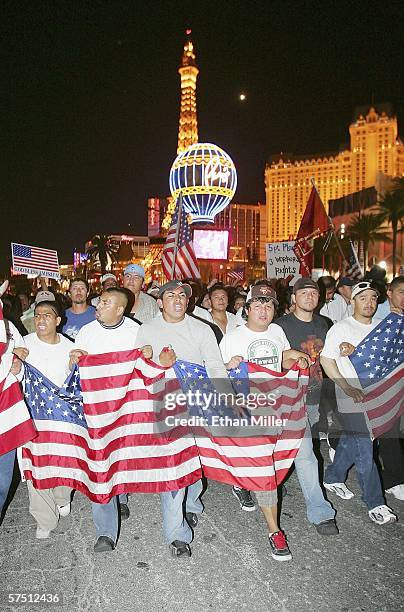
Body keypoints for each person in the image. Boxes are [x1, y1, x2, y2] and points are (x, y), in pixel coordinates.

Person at [135, 280, 235, 559]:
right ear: (159, 301)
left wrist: (227, 396)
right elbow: (138, 367)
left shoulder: (202, 329)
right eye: (171, 295)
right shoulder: (147, 329)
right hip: (166, 405)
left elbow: (214, 364)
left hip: (199, 402)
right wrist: (157, 363)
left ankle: (192, 504)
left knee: (196, 465)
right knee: (174, 469)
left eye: (183, 295)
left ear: (189, 302)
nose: (178, 299)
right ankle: (177, 534)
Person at [220, 285, 310, 561]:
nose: (264, 311)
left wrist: (296, 356)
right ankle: (274, 531)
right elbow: (217, 373)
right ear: (246, 310)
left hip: (278, 406)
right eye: (258, 305)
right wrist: (229, 365)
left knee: (290, 457)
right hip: (248, 410)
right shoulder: (233, 337)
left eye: (269, 305)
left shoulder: (277, 332)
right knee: (264, 470)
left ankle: (242, 481)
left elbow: (280, 359)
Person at [70, 287, 151, 552]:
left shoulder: (136, 332)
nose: (99, 306)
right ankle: (105, 532)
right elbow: (75, 367)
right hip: (96, 411)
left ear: (120, 309)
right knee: (100, 464)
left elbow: (144, 369)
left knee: (122, 458)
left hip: (127, 409)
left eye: (105, 302)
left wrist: (147, 354)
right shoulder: (87, 332)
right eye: (100, 302)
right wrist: (74, 359)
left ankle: (122, 494)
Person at [321, 281, 398, 525]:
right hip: (351, 397)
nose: (369, 303)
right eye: (363, 298)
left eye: (373, 298)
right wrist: (346, 386)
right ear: (352, 301)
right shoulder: (340, 328)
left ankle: (333, 476)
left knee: (352, 441)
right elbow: (327, 360)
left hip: (378, 397)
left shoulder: (382, 328)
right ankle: (375, 503)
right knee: (365, 448)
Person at [274, 277, 339, 535]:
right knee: (306, 454)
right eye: (304, 292)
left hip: (315, 397)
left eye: (314, 292)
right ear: (293, 298)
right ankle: (320, 512)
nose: (310, 296)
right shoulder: (280, 326)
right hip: (289, 398)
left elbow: (328, 360)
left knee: (294, 448)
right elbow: (271, 358)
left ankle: (271, 479)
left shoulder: (325, 324)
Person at [11, 300, 73, 538]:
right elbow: (11, 376)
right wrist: (14, 361)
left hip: (60, 417)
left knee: (62, 460)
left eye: (47, 315)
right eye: (37, 315)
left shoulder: (69, 347)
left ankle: (61, 495)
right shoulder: (23, 344)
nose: (41, 320)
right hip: (31, 415)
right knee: (34, 464)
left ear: (58, 321)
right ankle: (44, 520)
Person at [373, 276, 404, 501]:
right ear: (389, 293)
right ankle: (394, 478)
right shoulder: (375, 317)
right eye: (401, 292)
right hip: (381, 384)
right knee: (387, 431)